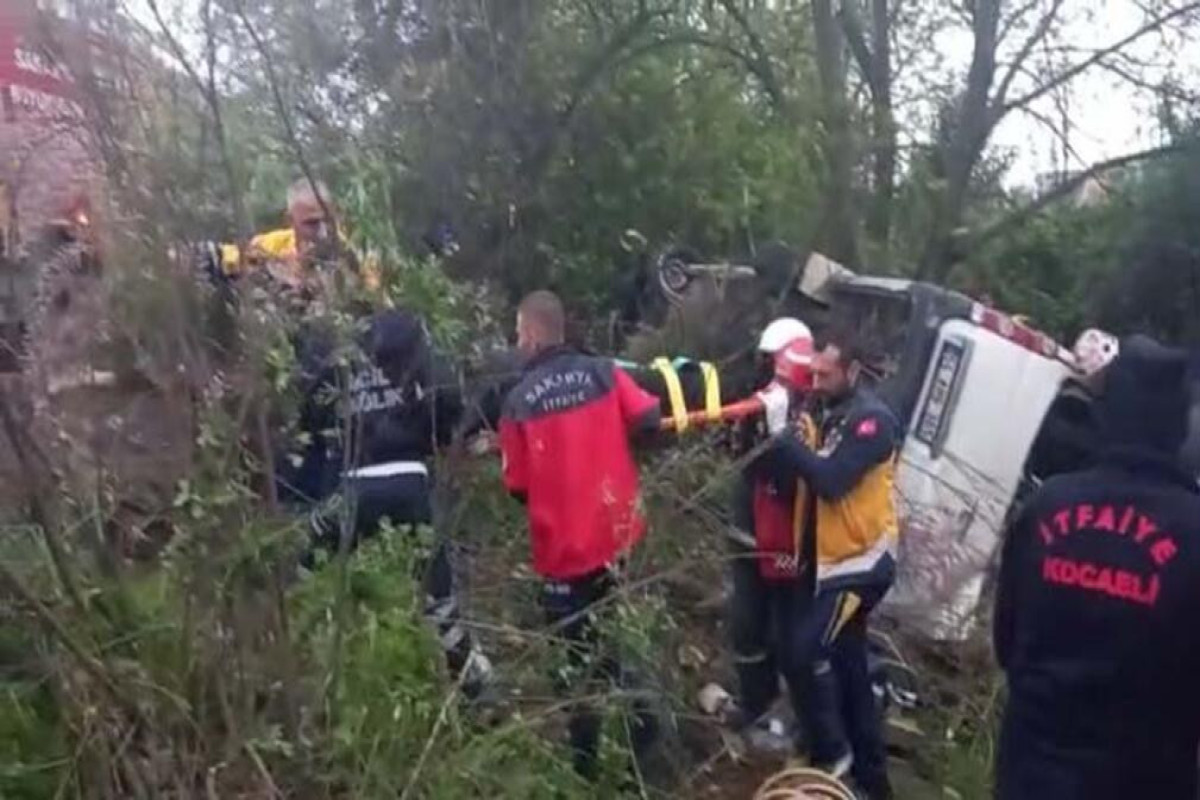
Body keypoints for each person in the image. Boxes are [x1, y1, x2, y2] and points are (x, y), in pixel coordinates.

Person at [993, 335, 1200, 800]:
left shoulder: (1047, 507)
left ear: (1109, 414)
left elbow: (1006, 641)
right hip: (1142, 778)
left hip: (1031, 772)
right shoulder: (1193, 533)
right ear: (1178, 427)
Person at [498, 290, 662, 780]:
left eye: (517, 332)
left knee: (574, 665)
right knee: (622, 647)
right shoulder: (604, 372)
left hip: (563, 555)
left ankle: (584, 772)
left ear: (528, 334)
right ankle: (646, 759)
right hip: (619, 540)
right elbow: (650, 418)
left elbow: (518, 487)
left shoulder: (518, 401)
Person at [299, 308, 492, 698]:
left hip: (351, 485)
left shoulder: (340, 361)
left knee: (305, 566)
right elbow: (453, 407)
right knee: (438, 597)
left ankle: (292, 661)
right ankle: (474, 683)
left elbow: (310, 416)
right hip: (411, 484)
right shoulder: (420, 356)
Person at [758, 327, 899, 800]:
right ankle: (874, 783)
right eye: (812, 371)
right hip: (830, 564)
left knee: (802, 651)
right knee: (850, 672)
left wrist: (785, 437)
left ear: (853, 371)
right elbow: (792, 476)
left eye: (825, 373)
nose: (815, 381)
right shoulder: (826, 411)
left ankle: (831, 753)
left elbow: (832, 481)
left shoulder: (872, 422)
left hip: (861, 565)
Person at [724, 317, 819, 754]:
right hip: (750, 530)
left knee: (784, 629)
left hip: (784, 538)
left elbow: (798, 473)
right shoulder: (758, 402)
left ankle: (787, 711)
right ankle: (756, 703)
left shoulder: (809, 414)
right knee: (748, 622)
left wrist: (781, 437)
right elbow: (741, 457)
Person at [219, 177, 380, 292]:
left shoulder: (353, 250)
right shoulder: (274, 244)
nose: (323, 232)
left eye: (328, 221)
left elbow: (375, 297)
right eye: (312, 223)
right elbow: (227, 255)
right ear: (290, 220)